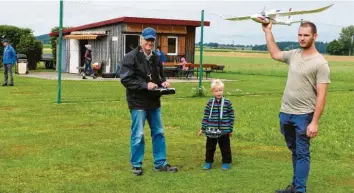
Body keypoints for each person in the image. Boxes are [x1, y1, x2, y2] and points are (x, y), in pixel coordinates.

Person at [262, 21, 330, 193]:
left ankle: (300, 189)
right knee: (294, 152)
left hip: (303, 116)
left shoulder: (320, 63)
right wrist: (268, 31)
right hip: (285, 114)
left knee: (302, 154)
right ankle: (295, 186)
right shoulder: (294, 54)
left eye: (306, 35)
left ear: (315, 36)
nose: (302, 38)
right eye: (300, 34)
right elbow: (275, 54)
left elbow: (322, 96)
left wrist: (314, 122)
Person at [120, 27, 178, 176]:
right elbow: (126, 79)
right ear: (141, 39)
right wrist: (145, 85)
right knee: (138, 134)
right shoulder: (130, 57)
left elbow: (160, 76)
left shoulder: (156, 57)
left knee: (159, 133)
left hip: (154, 102)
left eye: (152, 40)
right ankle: (136, 165)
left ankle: (160, 164)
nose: (149, 43)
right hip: (138, 102)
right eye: (147, 39)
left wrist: (164, 82)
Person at [198, 79, 235, 171]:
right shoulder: (210, 103)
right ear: (212, 92)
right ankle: (208, 162)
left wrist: (230, 129)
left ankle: (226, 162)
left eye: (220, 90)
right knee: (210, 148)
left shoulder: (227, 102)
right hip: (211, 130)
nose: (219, 92)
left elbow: (231, 116)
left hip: (224, 130)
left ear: (223, 90)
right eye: (216, 91)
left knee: (225, 148)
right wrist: (203, 128)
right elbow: (206, 116)